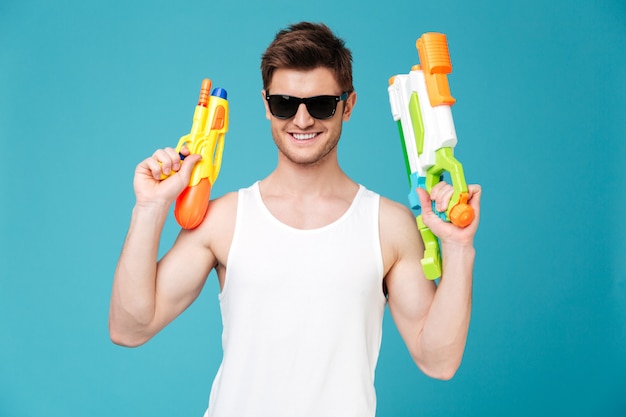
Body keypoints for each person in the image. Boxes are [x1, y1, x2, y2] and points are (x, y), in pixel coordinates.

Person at [109, 21, 481, 417]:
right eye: (285, 103)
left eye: (321, 104)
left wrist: (458, 249)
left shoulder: (387, 226)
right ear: (267, 105)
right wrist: (149, 208)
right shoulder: (224, 220)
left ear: (348, 106)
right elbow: (130, 328)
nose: (302, 120)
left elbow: (438, 361)